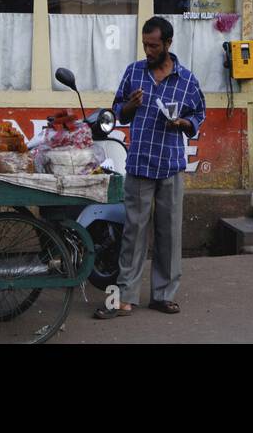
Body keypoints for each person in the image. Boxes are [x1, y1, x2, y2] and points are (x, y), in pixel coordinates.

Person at [95, 16, 205, 319]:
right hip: (140, 162)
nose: (148, 50)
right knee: (133, 232)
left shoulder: (186, 80)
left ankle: (163, 295)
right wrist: (130, 105)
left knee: (169, 233)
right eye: (145, 44)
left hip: (170, 164)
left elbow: (198, 113)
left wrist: (183, 122)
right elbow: (119, 112)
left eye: (153, 45)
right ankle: (126, 297)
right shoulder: (133, 73)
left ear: (168, 44)